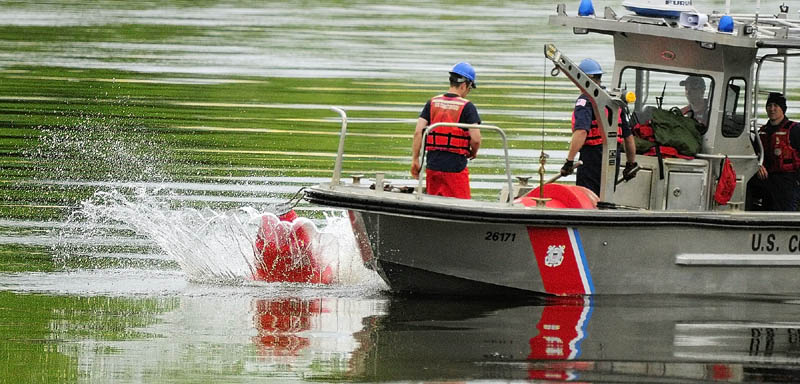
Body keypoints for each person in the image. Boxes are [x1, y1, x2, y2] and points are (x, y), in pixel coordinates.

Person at [560, 58, 637, 196]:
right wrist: (631, 164)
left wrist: (569, 161)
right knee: (606, 196)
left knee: (588, 195)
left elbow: (582, 132)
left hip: (592, 157)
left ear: (583, 78)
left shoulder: (585, 100)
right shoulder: (614, 100)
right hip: (614, 156)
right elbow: (628, 137)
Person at [410, 62, 482, 199]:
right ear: (464, 85)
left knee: (433, 202)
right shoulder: (467, 107)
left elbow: (418, 132)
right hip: (456, 168)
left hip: (433, 166)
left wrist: (415, 159)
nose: (468, 92)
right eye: (469, 88)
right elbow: (476, 138)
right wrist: (474, 152)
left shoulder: (432, 102)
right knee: (462, 205)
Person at [747, 92, 800, 211]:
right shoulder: (761, 132)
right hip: (766, 179)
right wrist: (758, 165)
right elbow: (754, 154)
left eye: (776, 105)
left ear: (783, 109)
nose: (772, 109)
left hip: (788, 180)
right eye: (769, 105)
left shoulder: (795, 130)